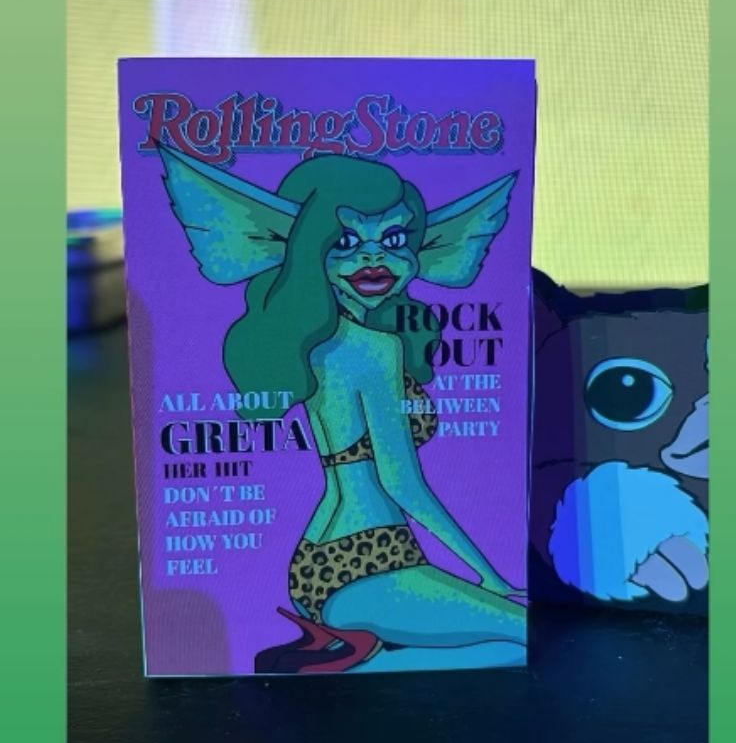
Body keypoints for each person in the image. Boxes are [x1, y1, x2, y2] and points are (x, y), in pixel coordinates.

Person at [160, 148, 528, 674]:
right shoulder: (374, 350)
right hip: (370, 558)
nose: (374, 260)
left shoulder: (314, 344)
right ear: (312, 248)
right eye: (347, 242)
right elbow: (402, 482)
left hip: (318, 558)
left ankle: (343, 651)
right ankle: (342, 663)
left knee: (502, 647)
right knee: (519, 637)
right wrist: (486, 574)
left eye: (394, 240)